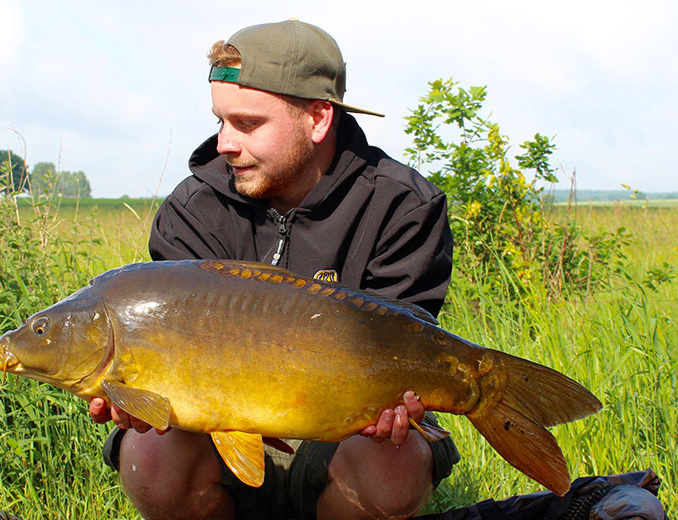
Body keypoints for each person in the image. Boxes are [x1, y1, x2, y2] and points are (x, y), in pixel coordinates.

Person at [88, 19, 459, 520]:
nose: (223, 143)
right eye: (220, 120)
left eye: (247, 123)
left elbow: (406, 343)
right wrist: (136, 395)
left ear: (319, 118)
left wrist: (401, 404)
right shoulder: (194, 209)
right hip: (218, 441)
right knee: (149, 457)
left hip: (343, 438)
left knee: (393, 465)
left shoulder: (402, 206)